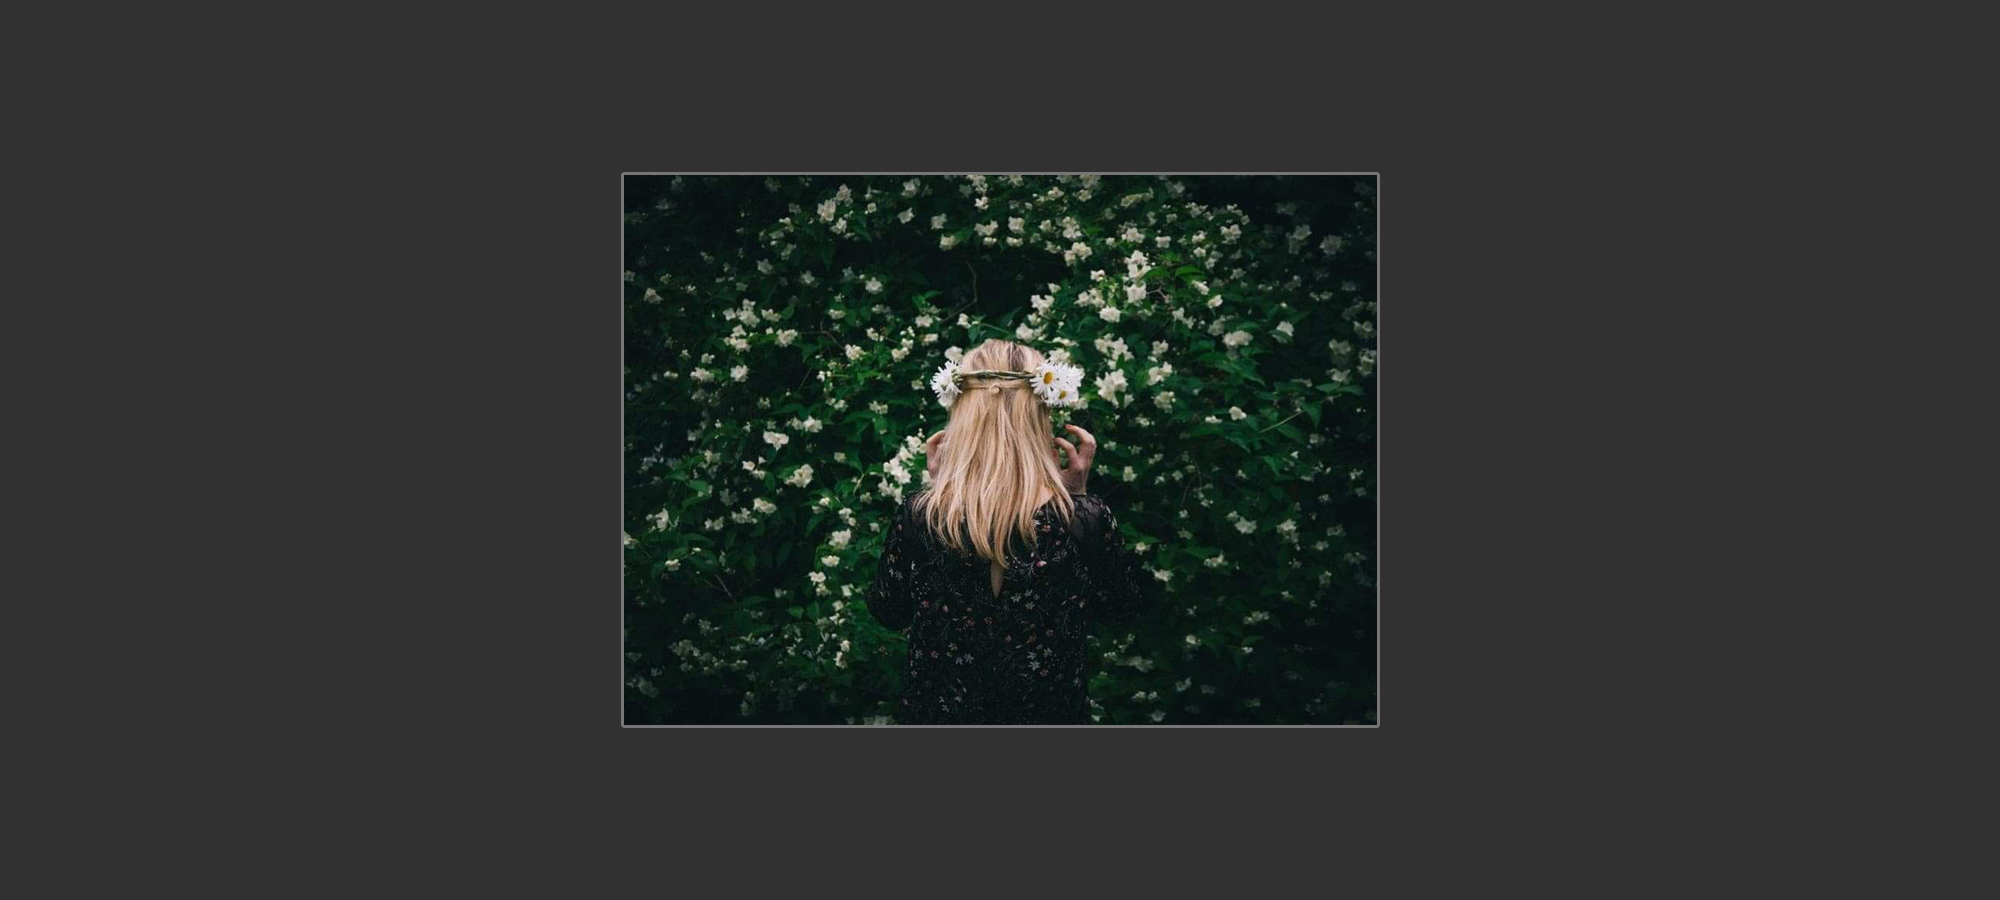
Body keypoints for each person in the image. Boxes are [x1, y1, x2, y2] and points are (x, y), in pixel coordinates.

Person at [866, 338, 1158, 724]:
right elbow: (1121, 610)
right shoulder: (1082, 520)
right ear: (1040, 414)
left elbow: (888, 611)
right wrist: (1078, 498)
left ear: (963, 416)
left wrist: (939, 493)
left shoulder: (922, 517)